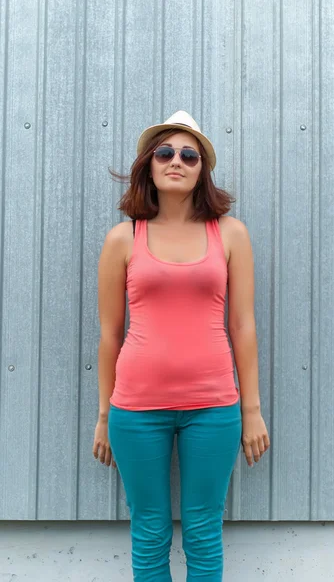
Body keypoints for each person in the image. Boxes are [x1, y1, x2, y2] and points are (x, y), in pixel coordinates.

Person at [92, 110, 270, 581]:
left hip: (214, 407)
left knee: (204, 530)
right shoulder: (122, 238)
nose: (177, 161)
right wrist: (104, 415)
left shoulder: (230, 233)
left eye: (189, 155)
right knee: (150, 530)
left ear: (201, 170)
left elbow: (243, 325)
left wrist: (251, 409)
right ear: (149, 164)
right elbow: (110, 335)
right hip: (135, 409)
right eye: (165, 153)